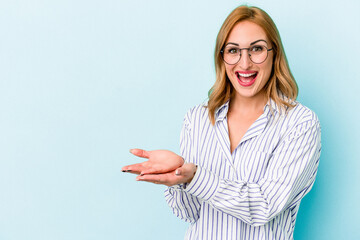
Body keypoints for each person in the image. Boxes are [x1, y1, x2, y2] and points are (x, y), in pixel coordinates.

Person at [122, 5, 321, 240]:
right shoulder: (197, 119)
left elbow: (264, 205)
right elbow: (188, 212)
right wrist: (176, 176)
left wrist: (196, 176)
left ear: (274, 53)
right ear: (222, 57)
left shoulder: (300, 123)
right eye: (233, 50)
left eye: (256, 49)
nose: (244, 64)